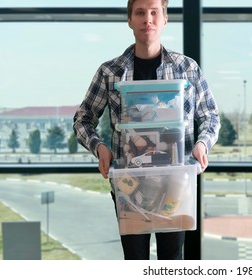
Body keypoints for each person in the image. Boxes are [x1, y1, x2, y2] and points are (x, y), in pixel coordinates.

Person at [73, 0, 220, 260]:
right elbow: (83, 119)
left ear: (165, 19)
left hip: (175, 186)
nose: (147, 19)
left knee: (171, 264)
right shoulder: (110, 72)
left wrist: (202, 144)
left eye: (154, 12)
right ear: (129, 20)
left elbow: (209, 116)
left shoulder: (187, 69)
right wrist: (100, 147)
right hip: (128, 188)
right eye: (140, 13)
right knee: (135, 264)